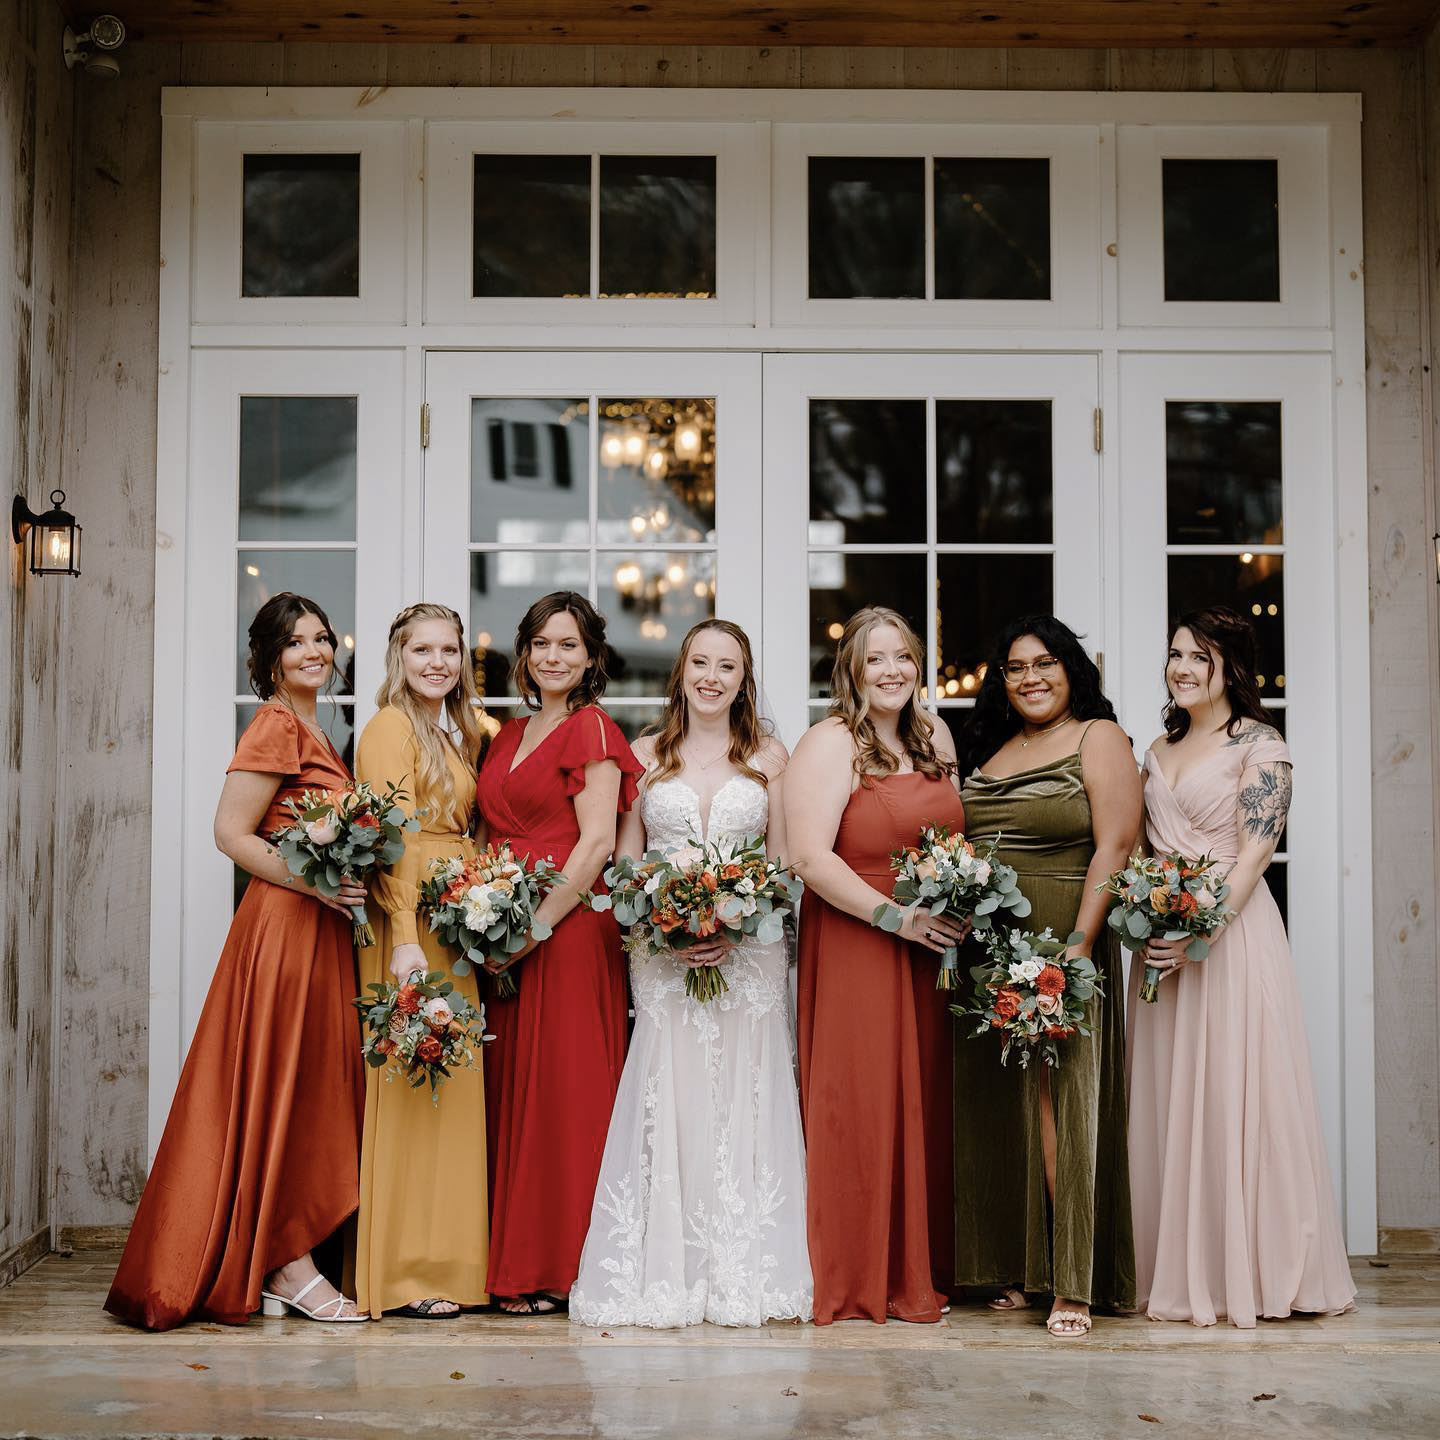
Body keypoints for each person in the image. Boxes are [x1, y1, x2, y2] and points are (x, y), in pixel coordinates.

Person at [105, 594, 366, 1328]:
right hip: (284, 928)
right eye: (296, 642)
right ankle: (288, 1264)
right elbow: (232, 834)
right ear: (270, 658)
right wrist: (316, 880)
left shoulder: (315, 725)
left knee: (305, 1087)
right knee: (283, 1085)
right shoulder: (278, 723)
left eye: (322, 638)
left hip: (316, 931)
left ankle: (288, 1259)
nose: (315, 651)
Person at [571, 620, 812, 1328]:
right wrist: (666, 924)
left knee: (747, 1088)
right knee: (670, 1090)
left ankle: (745, 1269)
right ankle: (667, 1267)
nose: (712, 676)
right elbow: (622, 864)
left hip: (751, 952)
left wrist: (736, 923)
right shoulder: (643, 753)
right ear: (681, 672)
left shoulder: (771, 755)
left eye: (727, 665)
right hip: (662, 950)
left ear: (745, 679)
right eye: (700, 663)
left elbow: (785, 862)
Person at [1128, 606, 1356, 1328]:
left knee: (1240, 1091)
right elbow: (1142, 853)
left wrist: (1202, 934)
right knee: (1171, 1101)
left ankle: (1258, 1271)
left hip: (1232, 937)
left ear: (1231, 666)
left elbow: (1256, 854)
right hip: (1162, 945)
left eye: (1198, 656)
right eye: (1174, 655)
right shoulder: (1157, 752)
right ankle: (1180, 1268)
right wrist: (1149, 923)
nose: (1182, 668)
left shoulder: (1261, 745)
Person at [953, 615, 1139, 1338]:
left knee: (1061, 1106)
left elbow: (1116, 845)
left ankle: (1073, 1280)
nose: (1030, 678)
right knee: (1001, 1108)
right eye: (1014, 667)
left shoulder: (1099, 737)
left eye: (1044, 663)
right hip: (991, 949)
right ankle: (1016, 1266)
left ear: (1072, 668)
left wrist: (1078, 949)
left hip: (1066, 940)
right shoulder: (993, 745)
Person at [787, 606, 966, 1324]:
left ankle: (919, 1266)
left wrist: (955, 901)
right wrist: (897, 918)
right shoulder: (830, 743)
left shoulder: (935, 736)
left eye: (904, 658)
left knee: (923, 1098)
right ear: (852, 672)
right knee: (858, 1101)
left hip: (933, 949)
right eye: (876, 659)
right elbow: (808, 856)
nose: (892, 671)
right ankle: (858, 1271)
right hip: (862, 936)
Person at [475, 591, 643, 1314]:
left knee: (565, 1097)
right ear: (524, 653)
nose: (553, 657)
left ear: (591, 658)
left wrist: (532, 929)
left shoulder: (593, 729)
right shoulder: (506, 735)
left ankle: (565, 1265)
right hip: (503, 927)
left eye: (568, 645)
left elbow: (598, 845)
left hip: (566, 930)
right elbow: (487, 834)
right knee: (514, 1090)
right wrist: (478, 915)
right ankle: (517, 1256)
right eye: (542, 644)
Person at [351, 604, 492, 1319]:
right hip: (410, 918)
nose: (437, 662)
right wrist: (404, 933)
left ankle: (458, 1264)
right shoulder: (388, 728)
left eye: (449, 650)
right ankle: (406, 1271)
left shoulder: (462, 730)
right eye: (422, 649)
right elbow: (388, 833)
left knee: (454, 1085)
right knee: (415, 1081)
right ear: (398, 657)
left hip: (458, 913)